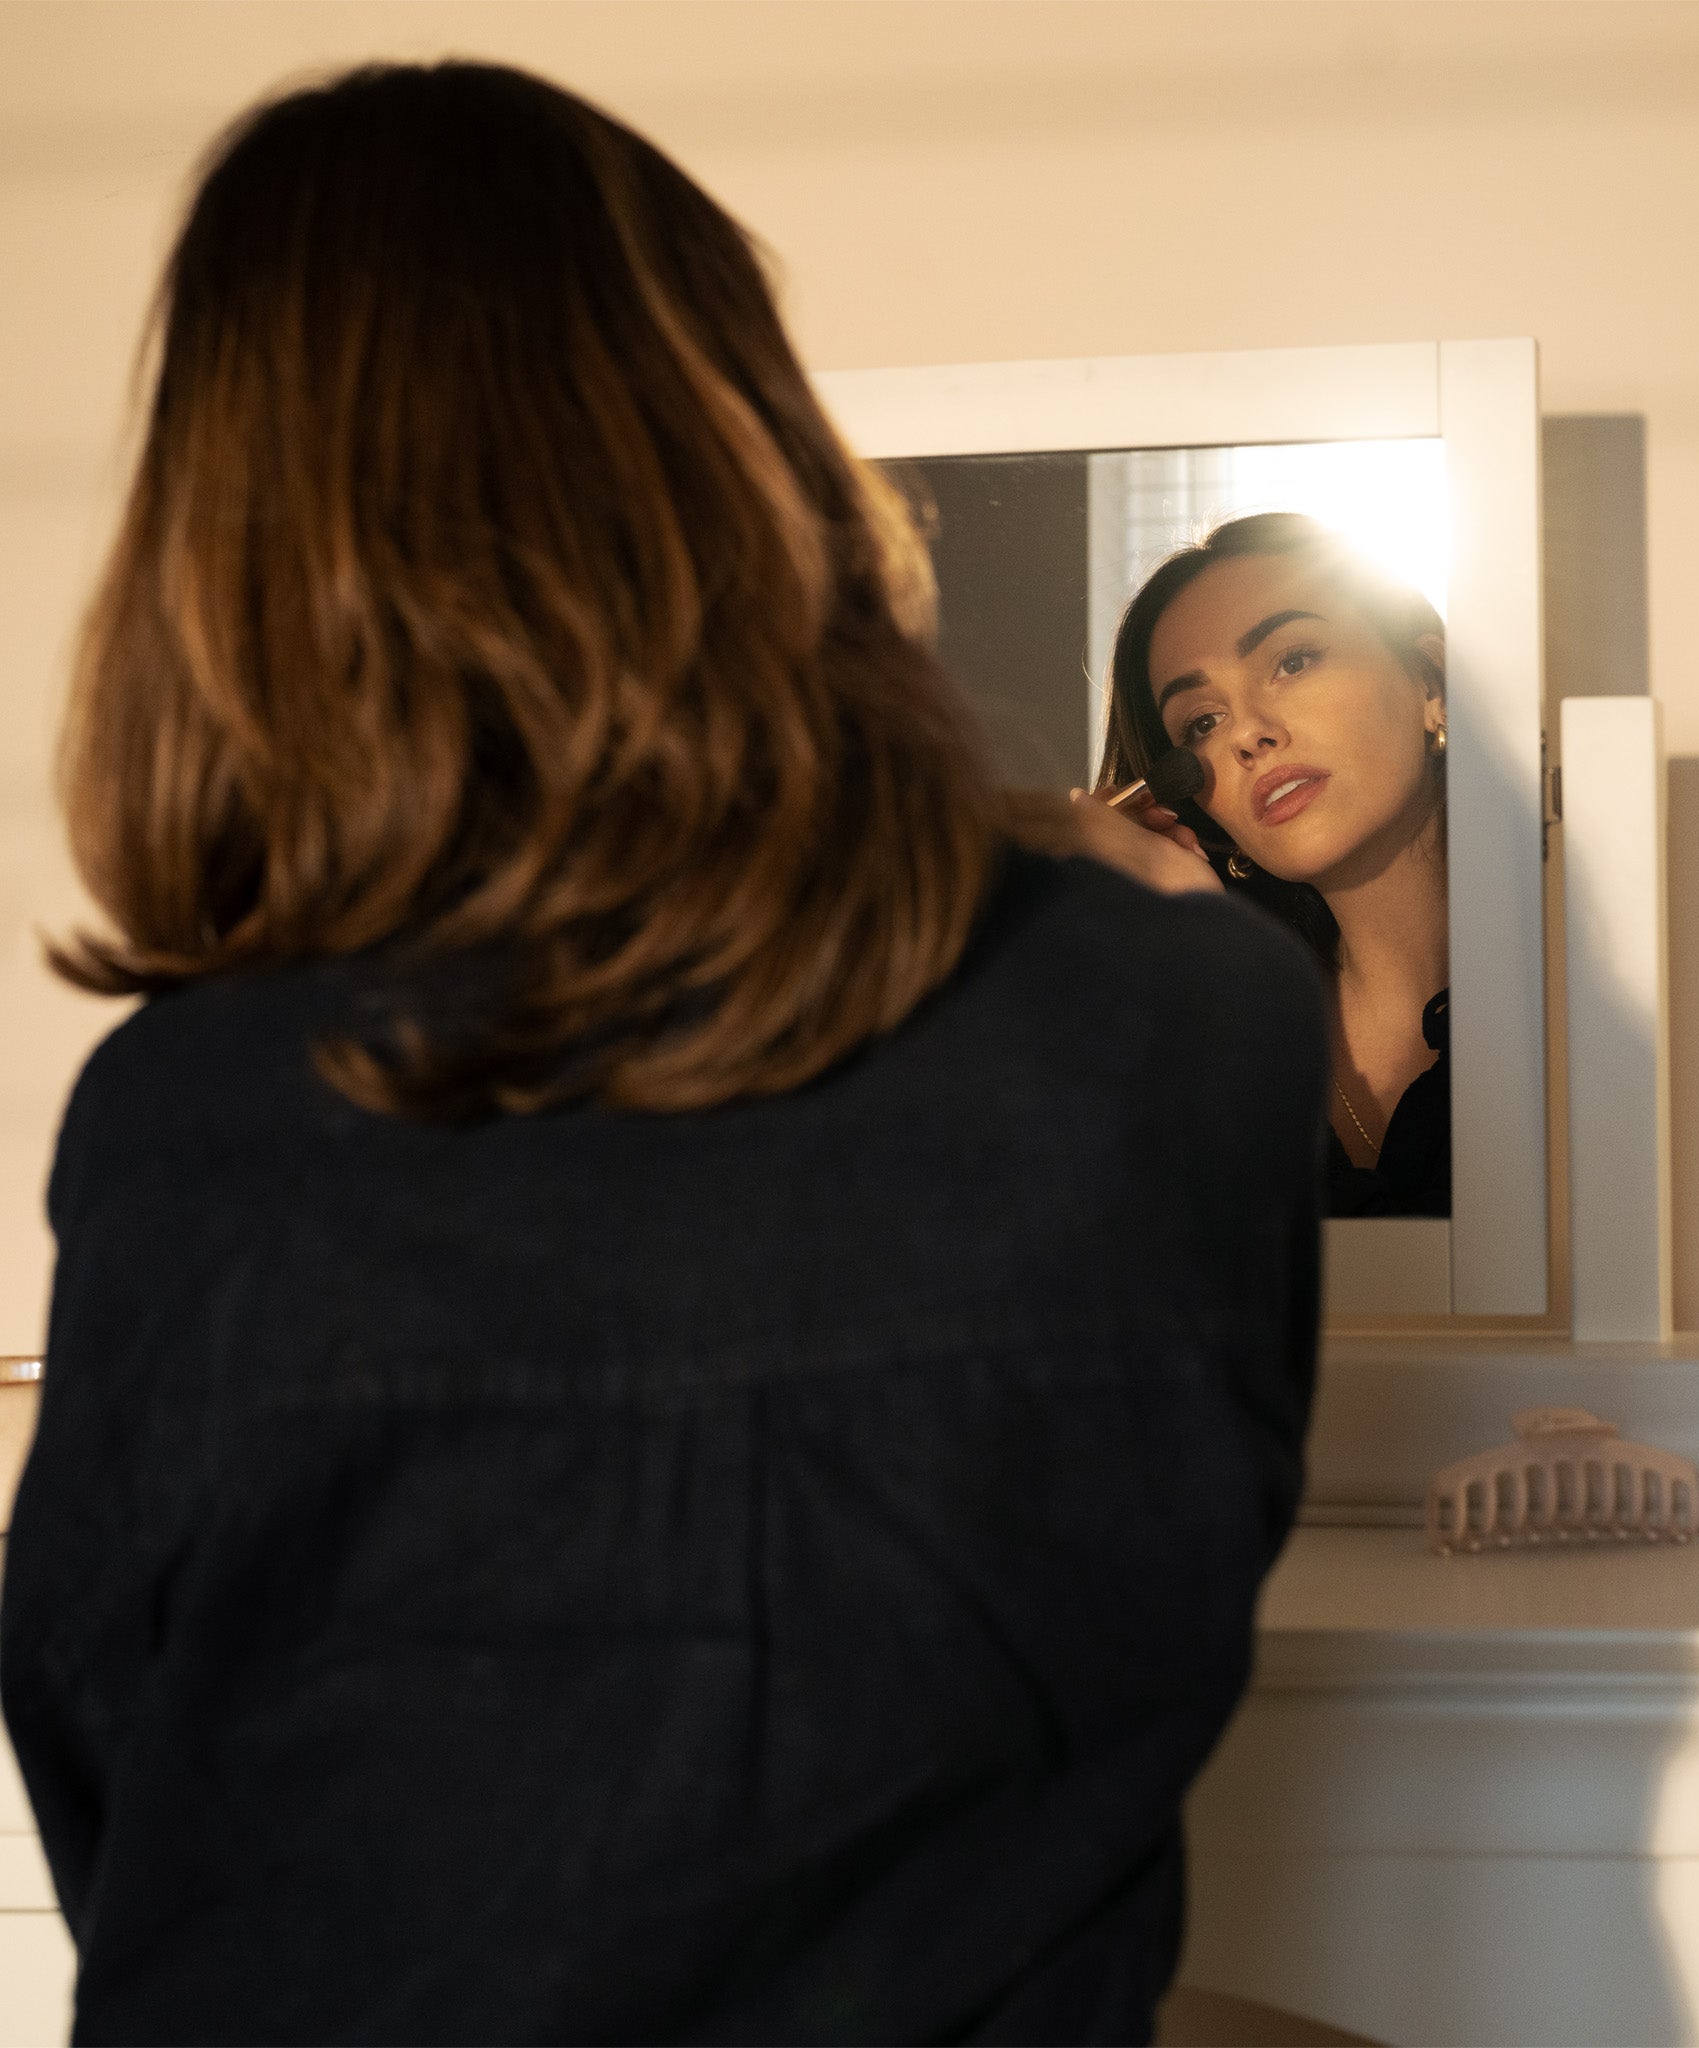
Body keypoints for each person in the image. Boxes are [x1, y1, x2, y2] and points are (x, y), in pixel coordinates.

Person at [0, 64, 1328, 2045]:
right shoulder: (1196, 1023)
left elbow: (126, 1789)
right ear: (752, 446)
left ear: (240, 547)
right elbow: (1132, 1647)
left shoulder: (195, 1118)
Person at [1088, 515, 1450, 1221]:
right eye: (1201, 724)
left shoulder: (1570, 984)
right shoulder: (1208, 1036)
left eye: (1293, 661)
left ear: (1430, 681)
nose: (1250, 733)